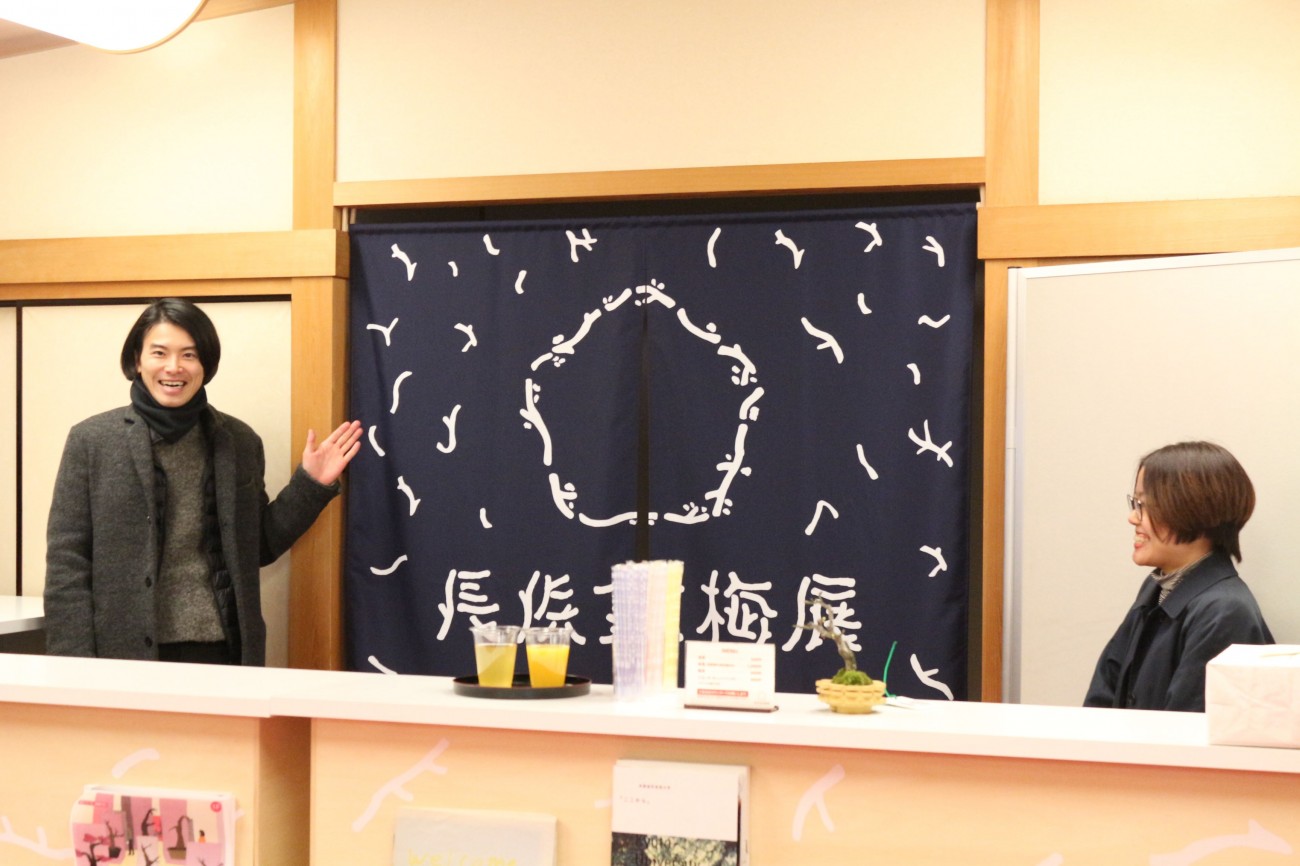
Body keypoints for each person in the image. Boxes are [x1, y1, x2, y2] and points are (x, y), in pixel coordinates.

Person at [44, 298, 363, 666]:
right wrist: (72, 664)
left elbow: (256, 547)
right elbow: (68, 561)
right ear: (137, 360)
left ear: (206, 365)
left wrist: (311, 485)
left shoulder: (239, 441)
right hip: (123, 653)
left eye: (189, 355)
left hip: (223, 650)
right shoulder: (92, 441)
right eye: (159, 353)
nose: (173, 367)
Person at [1084, 441, 1273, 711]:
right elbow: (1105, 690)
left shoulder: (1225, 612)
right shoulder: (1156, 587)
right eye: (1135, 503)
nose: (1133, 518)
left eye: (1145, 505)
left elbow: (1187, 726)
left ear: (1195, 511)